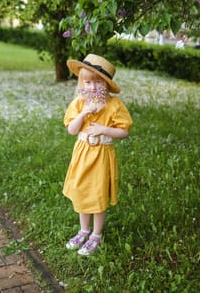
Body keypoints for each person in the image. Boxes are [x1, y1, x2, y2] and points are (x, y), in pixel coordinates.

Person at [63, 54, 133, 256]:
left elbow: (124, 131)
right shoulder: (79, 103)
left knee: (98, 192)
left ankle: (96, 234)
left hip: (102, 155)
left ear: (107, 84)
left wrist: (104, 129)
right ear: (81, 82)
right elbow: (72, 130)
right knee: (81, 190)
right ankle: (83, 230)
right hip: (83, 153)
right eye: (87, 82)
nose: (92, 87)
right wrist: (84, 113)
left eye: (98, 82)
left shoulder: (114, 105)